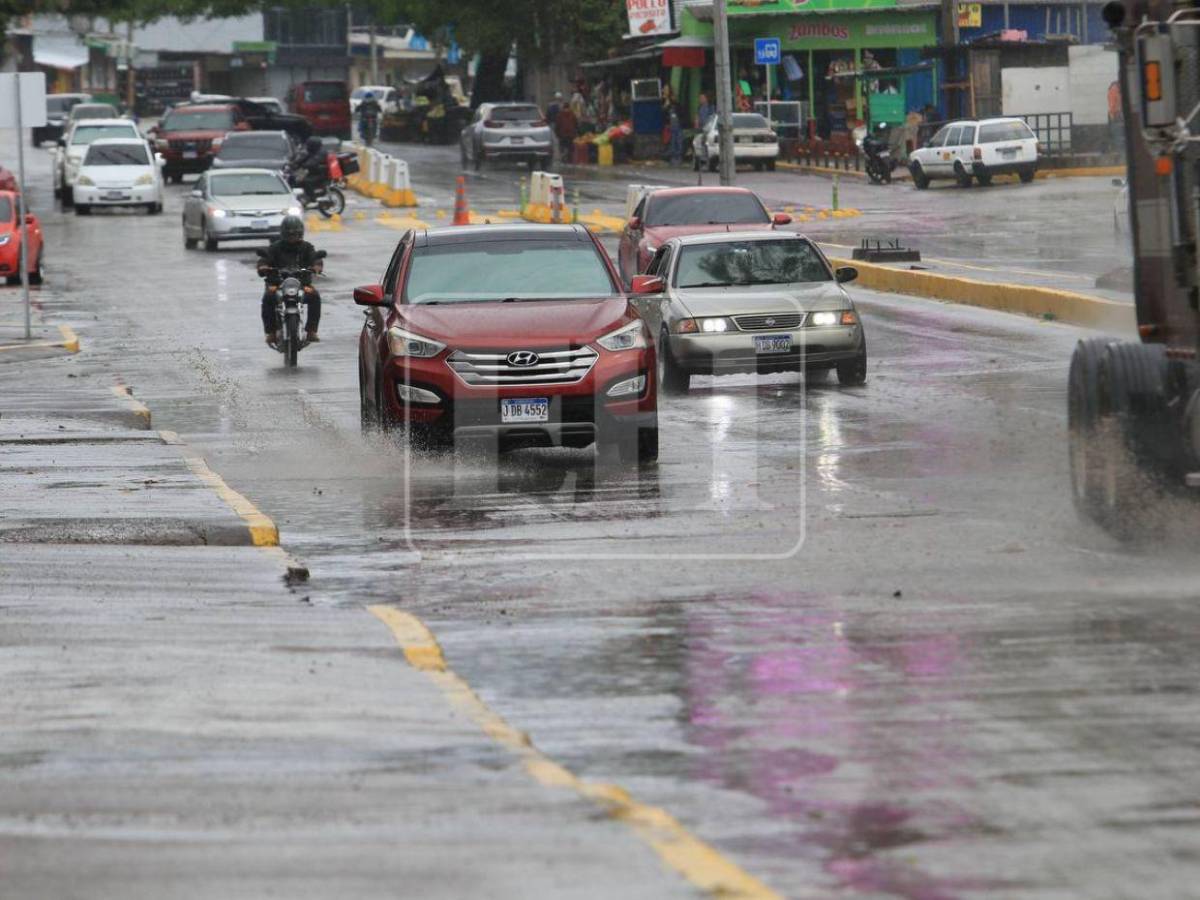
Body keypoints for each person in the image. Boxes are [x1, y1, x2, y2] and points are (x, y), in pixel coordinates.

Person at [258, 215, 324, 344]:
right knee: (268, 297)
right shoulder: (275, 247)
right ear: (283, 234)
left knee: (314, 296)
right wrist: (263, 266)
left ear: (301, 234)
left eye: (296, 234)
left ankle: (311, 331)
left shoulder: (307, 247)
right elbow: (264, 259)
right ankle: (271, 332)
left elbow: (315, 258)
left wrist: (317, 266)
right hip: (277, 284)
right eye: (289, 235)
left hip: (302, 284)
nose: (293, 237)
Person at [293, 136, 328, 203]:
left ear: (314, 145)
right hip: (312, 171)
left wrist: (303, 165)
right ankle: (300, 196)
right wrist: (294, 163)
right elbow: (305, 157)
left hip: (320, 174)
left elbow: (313, 162)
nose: (308, 147)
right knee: (294, 178)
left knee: (306, 181)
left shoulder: (321, 153)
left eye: (309, 145)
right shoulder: (313, 151)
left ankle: (312, 199)